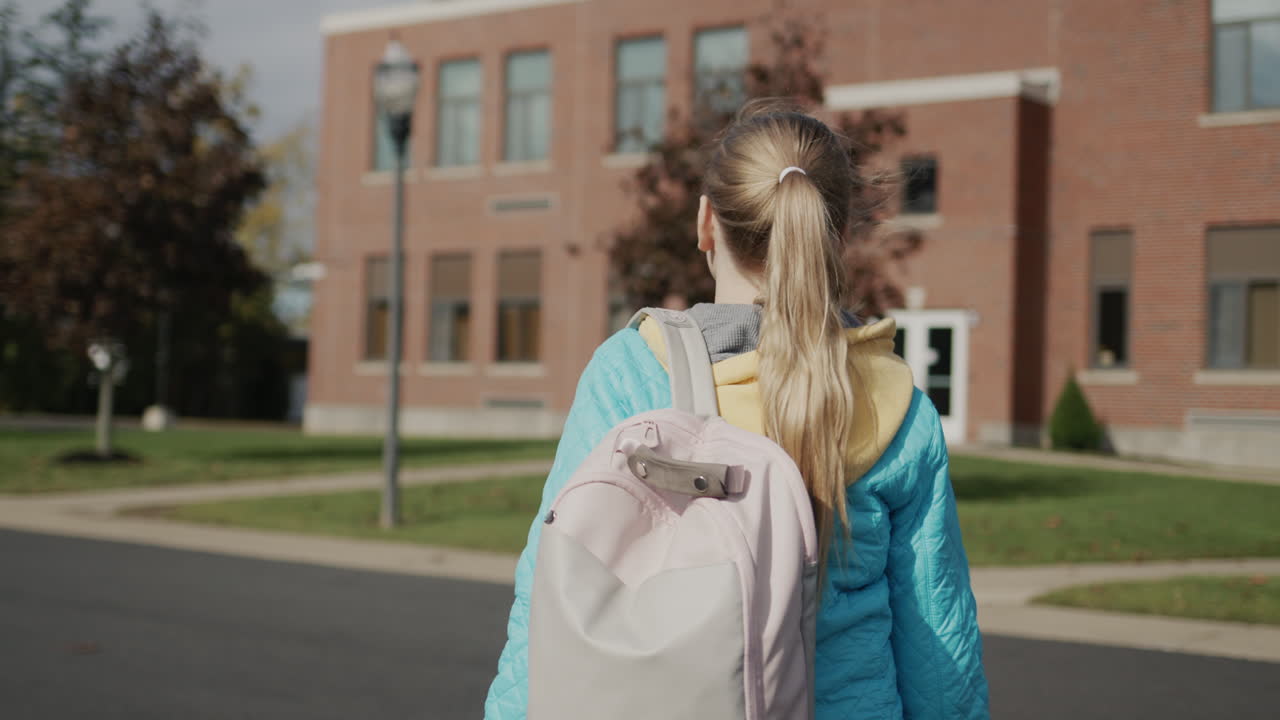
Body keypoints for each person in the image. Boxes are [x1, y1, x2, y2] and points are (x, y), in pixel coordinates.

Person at [485, 102, 989, 719]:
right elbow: (938, 646)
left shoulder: (631, 372)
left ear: (706, 222)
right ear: (836, 238)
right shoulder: (896, 405)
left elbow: (551, 582)